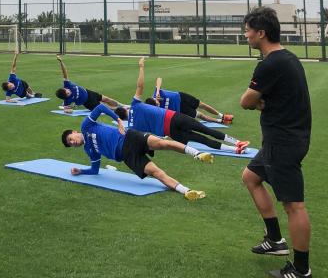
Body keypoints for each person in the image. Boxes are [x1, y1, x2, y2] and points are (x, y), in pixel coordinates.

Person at [239, 7, 312, 278]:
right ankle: (275, 241)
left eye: (248, 30)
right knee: (250, 177)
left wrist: (258, 104)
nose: (245, 35)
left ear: (261, 33)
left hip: (283, 142)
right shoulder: (288, 58)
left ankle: (302, 270)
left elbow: (245, 101)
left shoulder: (270, 63)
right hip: (284, 139)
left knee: (294, 205)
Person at [61, 103, 211, 200]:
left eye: (70, 139)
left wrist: (118, 119)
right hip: (127, 156)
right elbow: (95, 170)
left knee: (163, 143)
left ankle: (197, 154)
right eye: (70, 144)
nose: (72, 142)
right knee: (156, 173)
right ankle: (186, 191)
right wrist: (80, 171)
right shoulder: (89, 150)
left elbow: (100, 108)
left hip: (129, 137)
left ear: (74, 132)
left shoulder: (85, 126)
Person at [115, 57, 249, 154]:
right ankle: (237, 142)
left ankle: (235, 150)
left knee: (201, 140)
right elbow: (140, 85)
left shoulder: (132, 128)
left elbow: (146, 139)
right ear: (126, 108)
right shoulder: (135, 105)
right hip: (174, 117)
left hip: (171, 132)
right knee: (205, 130)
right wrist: (141, 67)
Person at [145, 76, 233, 125]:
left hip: (181, 97)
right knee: (200, 115)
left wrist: (157, 91)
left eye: (156, 103)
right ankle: (220, 121)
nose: (158, 104)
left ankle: (222, 116)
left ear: (153, 99)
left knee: (201, 104)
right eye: (157, 105)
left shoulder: (157, 94)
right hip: (181, 110)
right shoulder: (156, 109)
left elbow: (159, 78)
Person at [54, 54, 121, 111]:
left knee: (106, 99)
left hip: (89, 92)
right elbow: (66, 108)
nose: (69, 91)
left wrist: (61, 62)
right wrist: (67, 110)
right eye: (68, 93)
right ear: (66, 97)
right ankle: (121, 109)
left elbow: (64, 72)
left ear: (64, 88)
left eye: (67, 90)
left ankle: (122, 105)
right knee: (106, 107)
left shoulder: (67, 85)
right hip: (88, 103)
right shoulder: (67, 101)